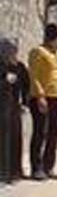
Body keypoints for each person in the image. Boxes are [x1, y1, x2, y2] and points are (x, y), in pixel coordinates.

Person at [28, 23, 57, 180]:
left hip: (55, 97)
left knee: (53, 133)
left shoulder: (55, 54)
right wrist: (40, 96)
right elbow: (34, 76)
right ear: (54, 37)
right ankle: (36, 168)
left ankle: (48, 166)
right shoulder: (38, 52)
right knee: (40, 132)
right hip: (42, 97)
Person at [1, 37, 31, 182]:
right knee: (3, 139)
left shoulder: (19, 67)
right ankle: (4, 172)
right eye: (10, 51)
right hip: (2, 108)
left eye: (14, 51)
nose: (13, 54)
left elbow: (26, 85)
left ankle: (15, 171)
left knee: (16, 138)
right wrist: (5, 81)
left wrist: (25, 103)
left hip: (13, 107)